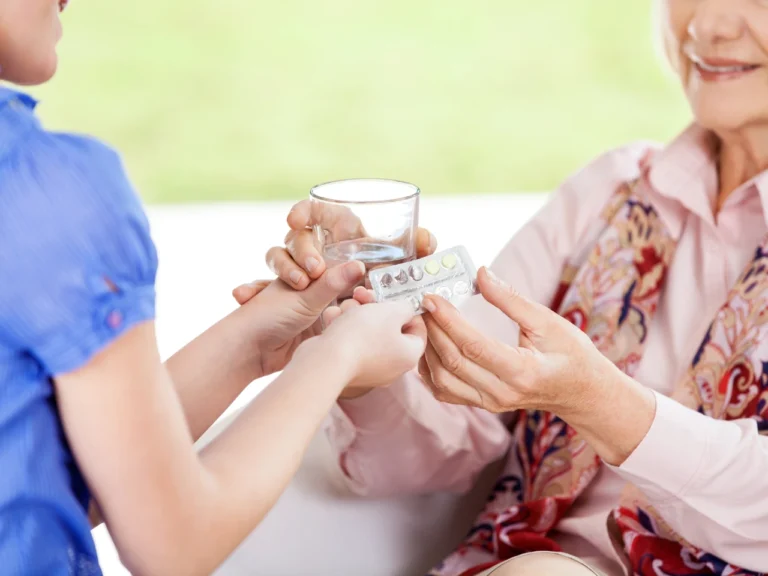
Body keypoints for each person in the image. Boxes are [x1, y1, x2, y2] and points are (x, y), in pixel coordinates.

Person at [254, 0, 768, 573]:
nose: (705, 25)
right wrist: (359, 354)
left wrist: (599, 401)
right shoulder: (612, 191)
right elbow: (436, 454)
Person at [0, 2, 434, 575]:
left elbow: (48, 483)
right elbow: (173, 544)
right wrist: (338, 356)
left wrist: (257, 340)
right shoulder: (47, 188)